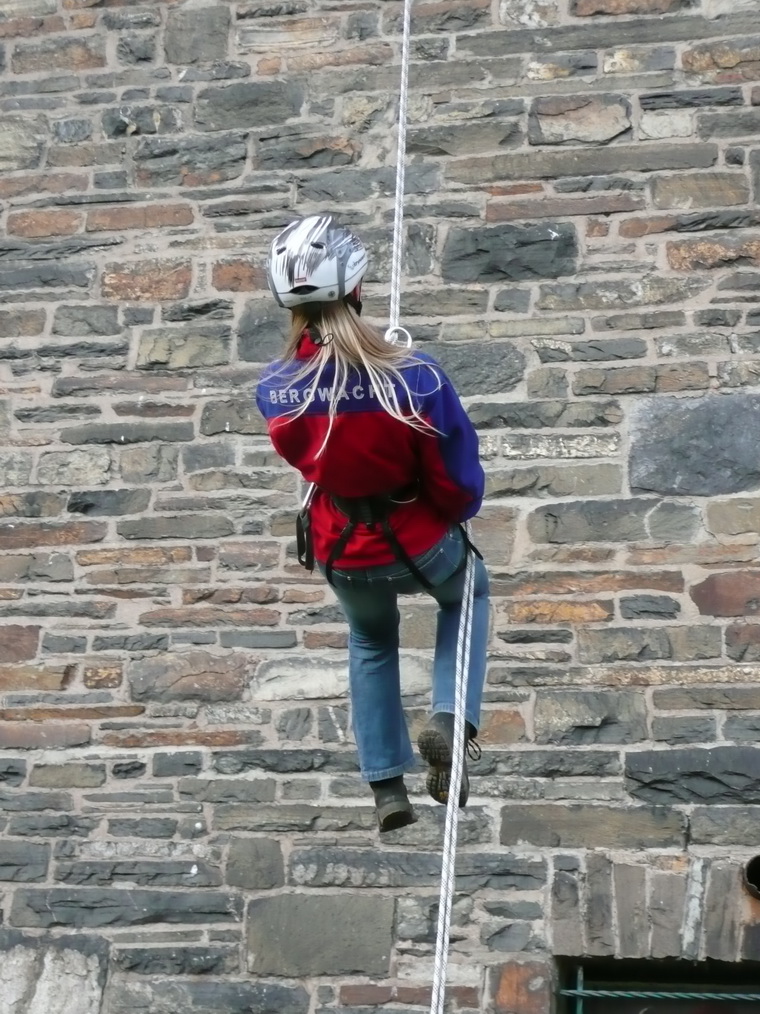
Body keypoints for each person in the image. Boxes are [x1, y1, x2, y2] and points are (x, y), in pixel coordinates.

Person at [255, 214, 490, 832]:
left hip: (342, 547)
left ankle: (387, 786)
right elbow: (456, 478)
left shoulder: (276, 387)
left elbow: (308, 458)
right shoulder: (414, 376)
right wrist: (455, 514)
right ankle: (451, 717)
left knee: (370, 640)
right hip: (417, 538)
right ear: (356, 288)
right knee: (468, 594)